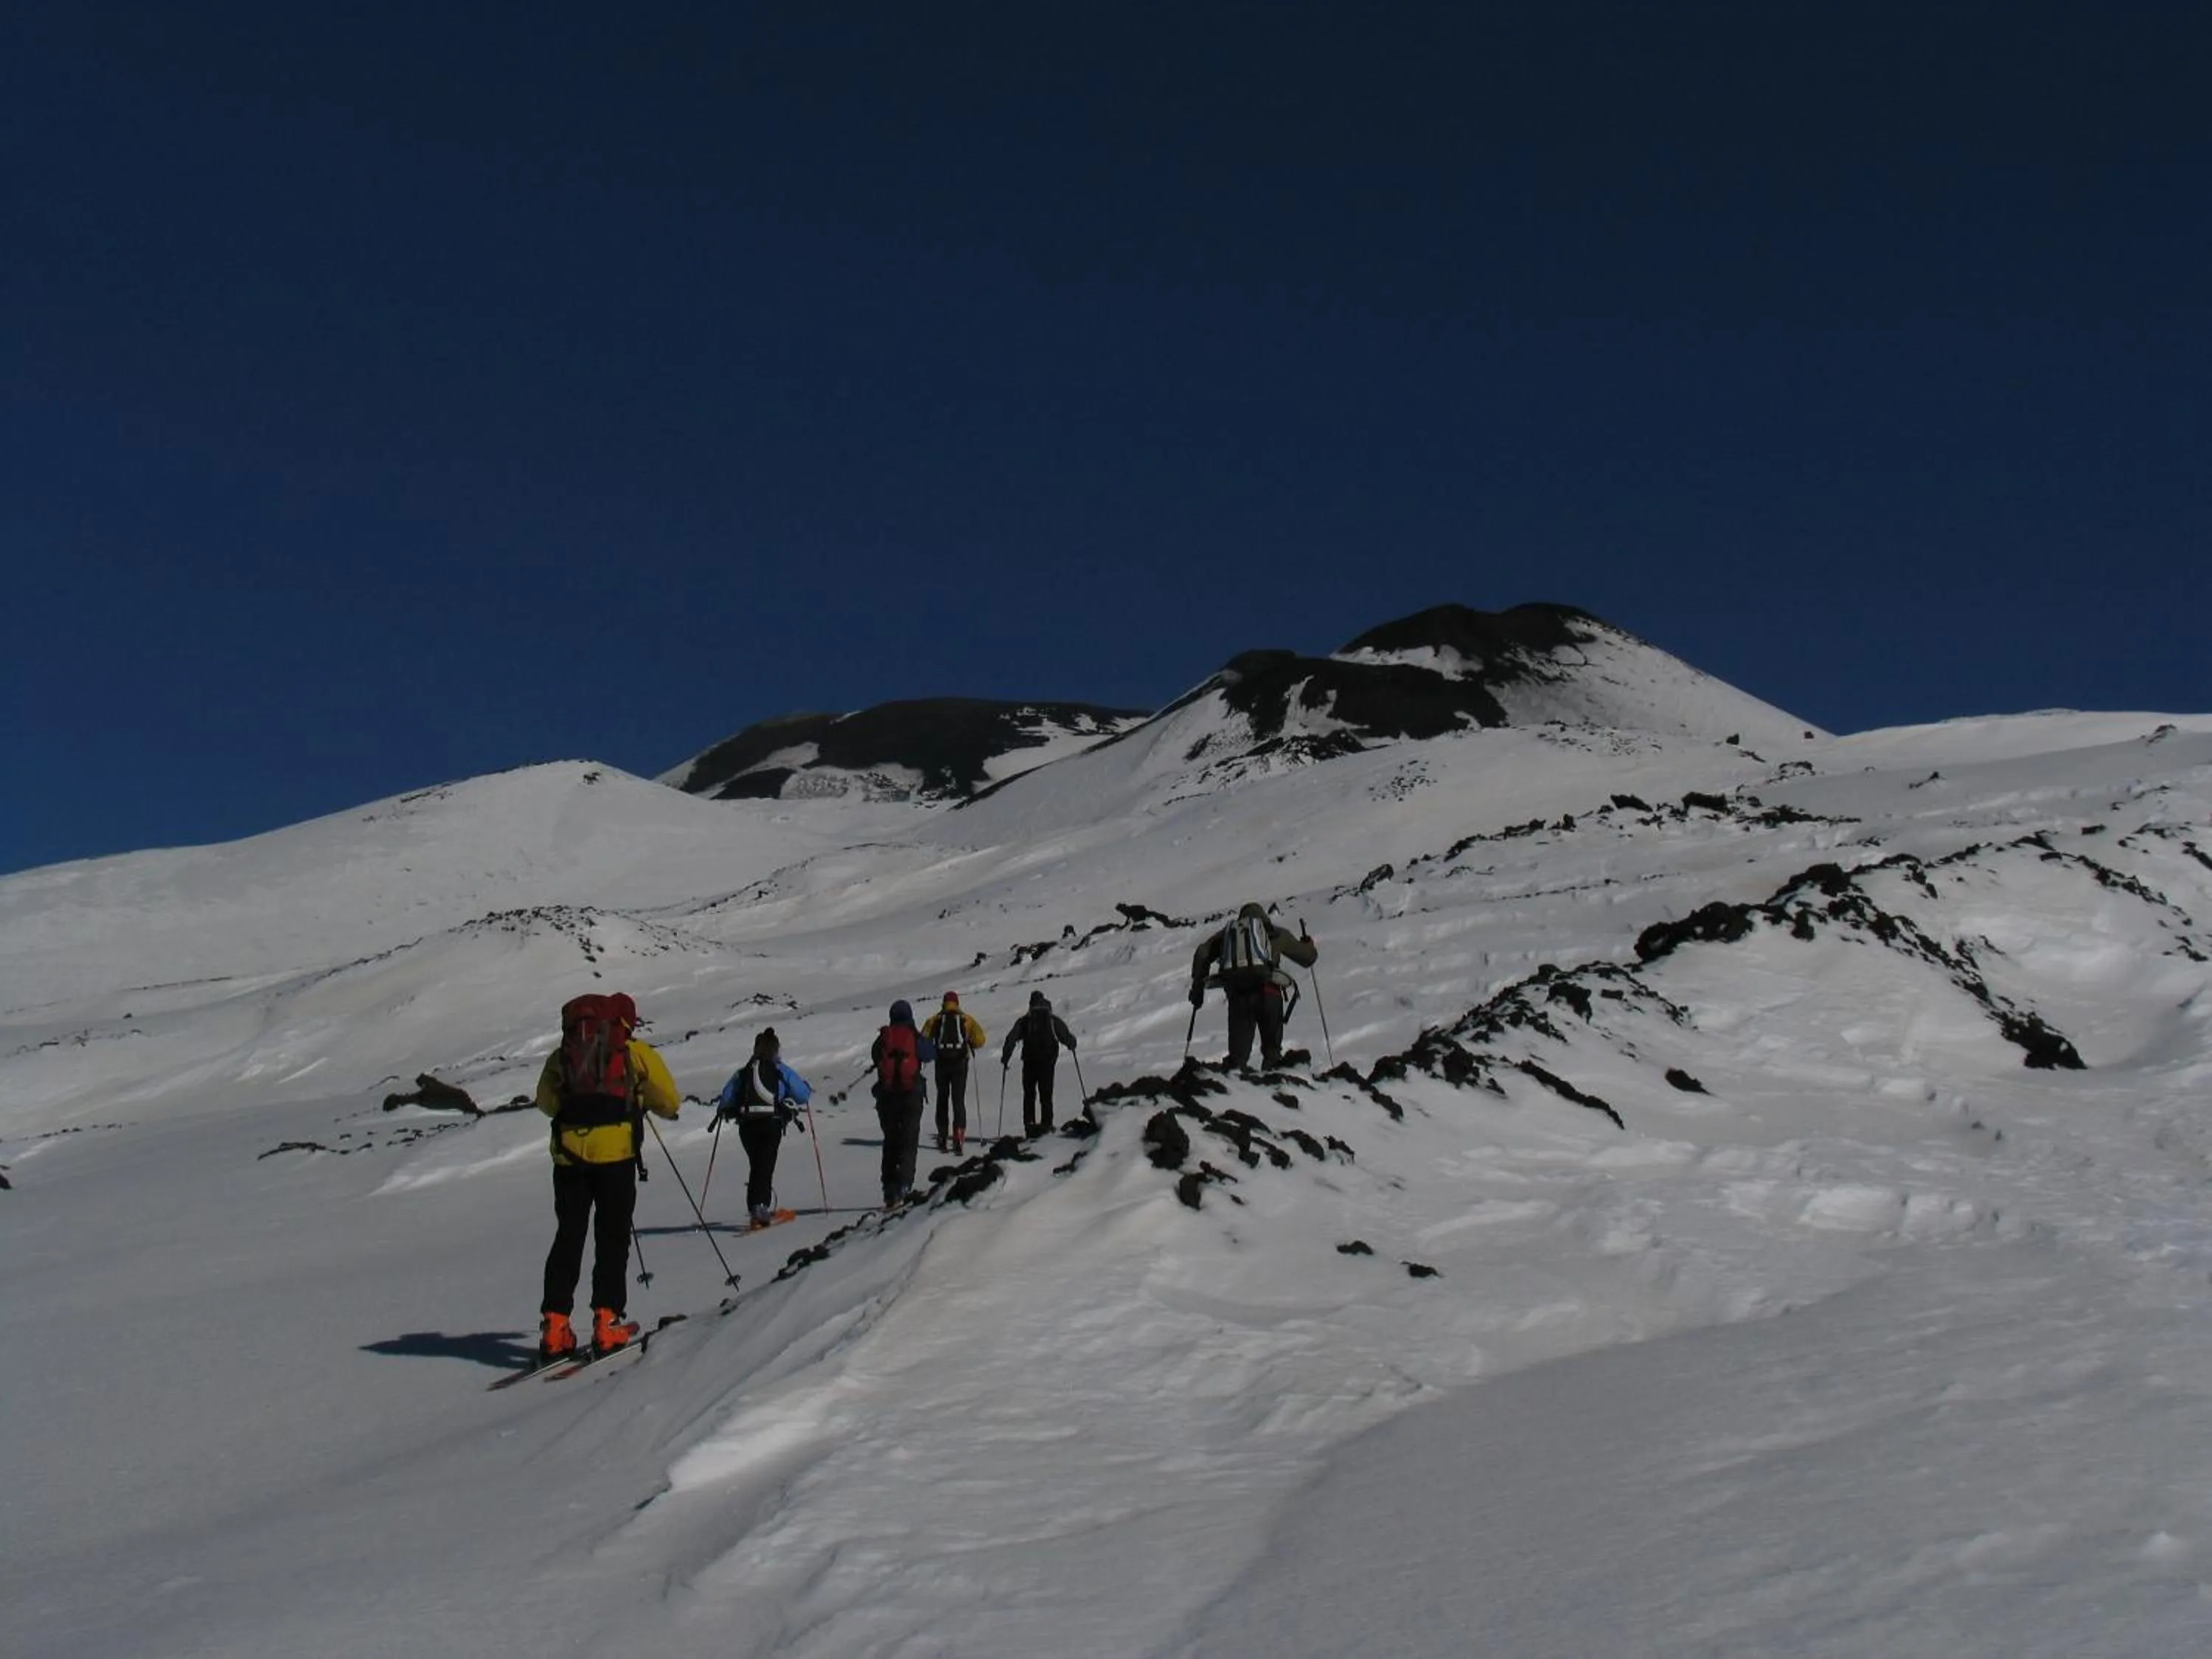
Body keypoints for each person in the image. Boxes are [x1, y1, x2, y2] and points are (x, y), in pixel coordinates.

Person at [534, 992, 681, 1360]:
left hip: (568, 1156)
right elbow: (669, 1099)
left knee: (568, 1236)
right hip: (616, 1155)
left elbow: (546, 1102)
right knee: (612, 1236)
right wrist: (639, 1100)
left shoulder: (564, 1052)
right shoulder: (633, 1052)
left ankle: (555, 1326)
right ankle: (607, 1321)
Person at [1189, 902, 1319, 1071]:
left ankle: (1235, 1090)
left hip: (1238, 998)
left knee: (1237, 1059)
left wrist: (1197, 989)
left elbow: (1202, 953)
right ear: (1263, 917)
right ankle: (1274, 1088)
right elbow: (1308, 958)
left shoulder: (1227, 935)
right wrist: (1308, 944)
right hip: (1269, 995)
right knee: (1272, 1053)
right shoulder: (1275, 933)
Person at [715, 1028, 814, 1228]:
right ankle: (759, 1208)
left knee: (758, 1165)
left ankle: (757, 1207)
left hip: (747, 1126)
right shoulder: (780, 1069)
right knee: (764, 1166)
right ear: (776, 1049)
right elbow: (803, 1095)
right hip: (771, 1123)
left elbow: (726, 1098)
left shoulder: (744, 1072)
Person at [870, 1000, 935, 1208]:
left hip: (887, 1097)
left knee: (891, 1141)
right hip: (911, 1095)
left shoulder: (884, 1038)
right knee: (909, 1140)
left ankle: (889, 1188)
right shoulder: (914, 1036)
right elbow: (929, 1054)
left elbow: (875, 1057)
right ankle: (904, 1185)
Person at [1001, 990, 1077, 1138]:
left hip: (1029, 1062)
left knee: (1029, 1095)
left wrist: (1005, 1058)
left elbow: (1011, 1039)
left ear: (1031, 1004)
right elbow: (1066, 1036)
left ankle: (1030, 1127)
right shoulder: (1052, 1020)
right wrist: (1072, 1045)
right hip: (1048, 1063)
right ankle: (1046, 1127)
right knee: (1046, 1095)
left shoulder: (1025, 1021)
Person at [924, 992, 987, 1153]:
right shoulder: (966, 1019)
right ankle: (958, 1138)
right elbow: (980, 1040)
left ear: (943, 1003)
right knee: (958, 1100)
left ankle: (943, 1137)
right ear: (957, 1003)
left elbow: (923, 1040)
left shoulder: (935, 1020)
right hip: (960, 1064)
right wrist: (969, 1043)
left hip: (942, 1064)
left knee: (942, 1099)